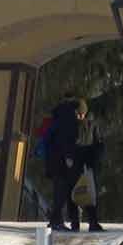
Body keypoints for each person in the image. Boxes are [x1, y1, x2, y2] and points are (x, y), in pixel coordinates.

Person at [45, 93, 81, 231]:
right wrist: (69, 157)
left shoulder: (58, 114)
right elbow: (67, 138)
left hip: (54, 159)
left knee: (59, 190)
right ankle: (56, 220)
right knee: (62, 191)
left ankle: (57, 220)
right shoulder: (69, 116)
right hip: (62, 161)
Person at [70, 100, 105, 232]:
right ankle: (76, 223)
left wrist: (94, 160)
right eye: (77, 114)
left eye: (80, 113)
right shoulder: (74, 125)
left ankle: (92, 221)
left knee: (90, 193)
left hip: (87, 163)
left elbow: (99, 144)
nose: (78, 116)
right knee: (75, 193)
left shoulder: (92, 125)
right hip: (77, 163)